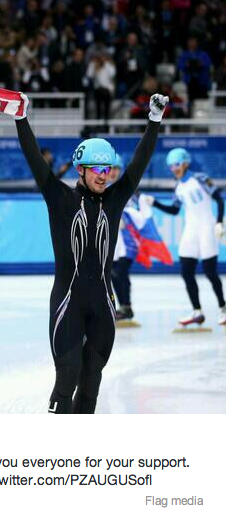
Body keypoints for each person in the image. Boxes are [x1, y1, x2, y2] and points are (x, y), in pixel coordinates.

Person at [14, 92, 168, 414]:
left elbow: (138, 165)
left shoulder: (114, 200)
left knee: (91, 389)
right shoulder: (59, 197)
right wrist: (21, 118)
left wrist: (153, 122)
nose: (104, 174)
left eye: (108, 168)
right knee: (66, 382)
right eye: (96, 168)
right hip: (67, 304)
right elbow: (33, 158)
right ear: (80, 169)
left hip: (102, 307)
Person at [143, 148, 226, 326]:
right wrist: (155, 202)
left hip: (207, 227)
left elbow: (219, 199)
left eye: (177, 164)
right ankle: (197, 311)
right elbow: (174, 210)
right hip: (191, 229)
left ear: (186, 163)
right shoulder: (178, 187)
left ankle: (223, 308)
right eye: (171, 166)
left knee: (210, 271)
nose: (174, 168)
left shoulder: (201, 178)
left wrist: (219, 222)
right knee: (186, 271)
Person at [109, 154, 151, 322]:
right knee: (112, 274)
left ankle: (127, 306)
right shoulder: (101, 188)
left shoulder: (129, 189)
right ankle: (122, 307)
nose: (113, 172)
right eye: (110, 168)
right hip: (113, 241)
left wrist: (125, 220)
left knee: (121, 271)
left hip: (128, 240)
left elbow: (140, 215)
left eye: (116, 169)